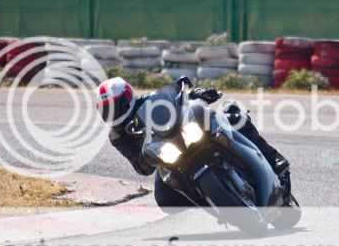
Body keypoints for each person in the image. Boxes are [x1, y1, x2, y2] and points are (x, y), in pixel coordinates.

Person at [95, 77, 290, 209]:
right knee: (164, 199)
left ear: (127, 97)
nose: (112, 113)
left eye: (115, 106)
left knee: (232, 116)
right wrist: (149, 157)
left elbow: (179, 94)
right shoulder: (117, 136)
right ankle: (212, 201)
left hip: (187, 135)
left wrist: (200, 93)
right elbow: (140, 167)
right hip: (169, 158)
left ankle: (273, 159)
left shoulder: (151, 99)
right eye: (106, 110)